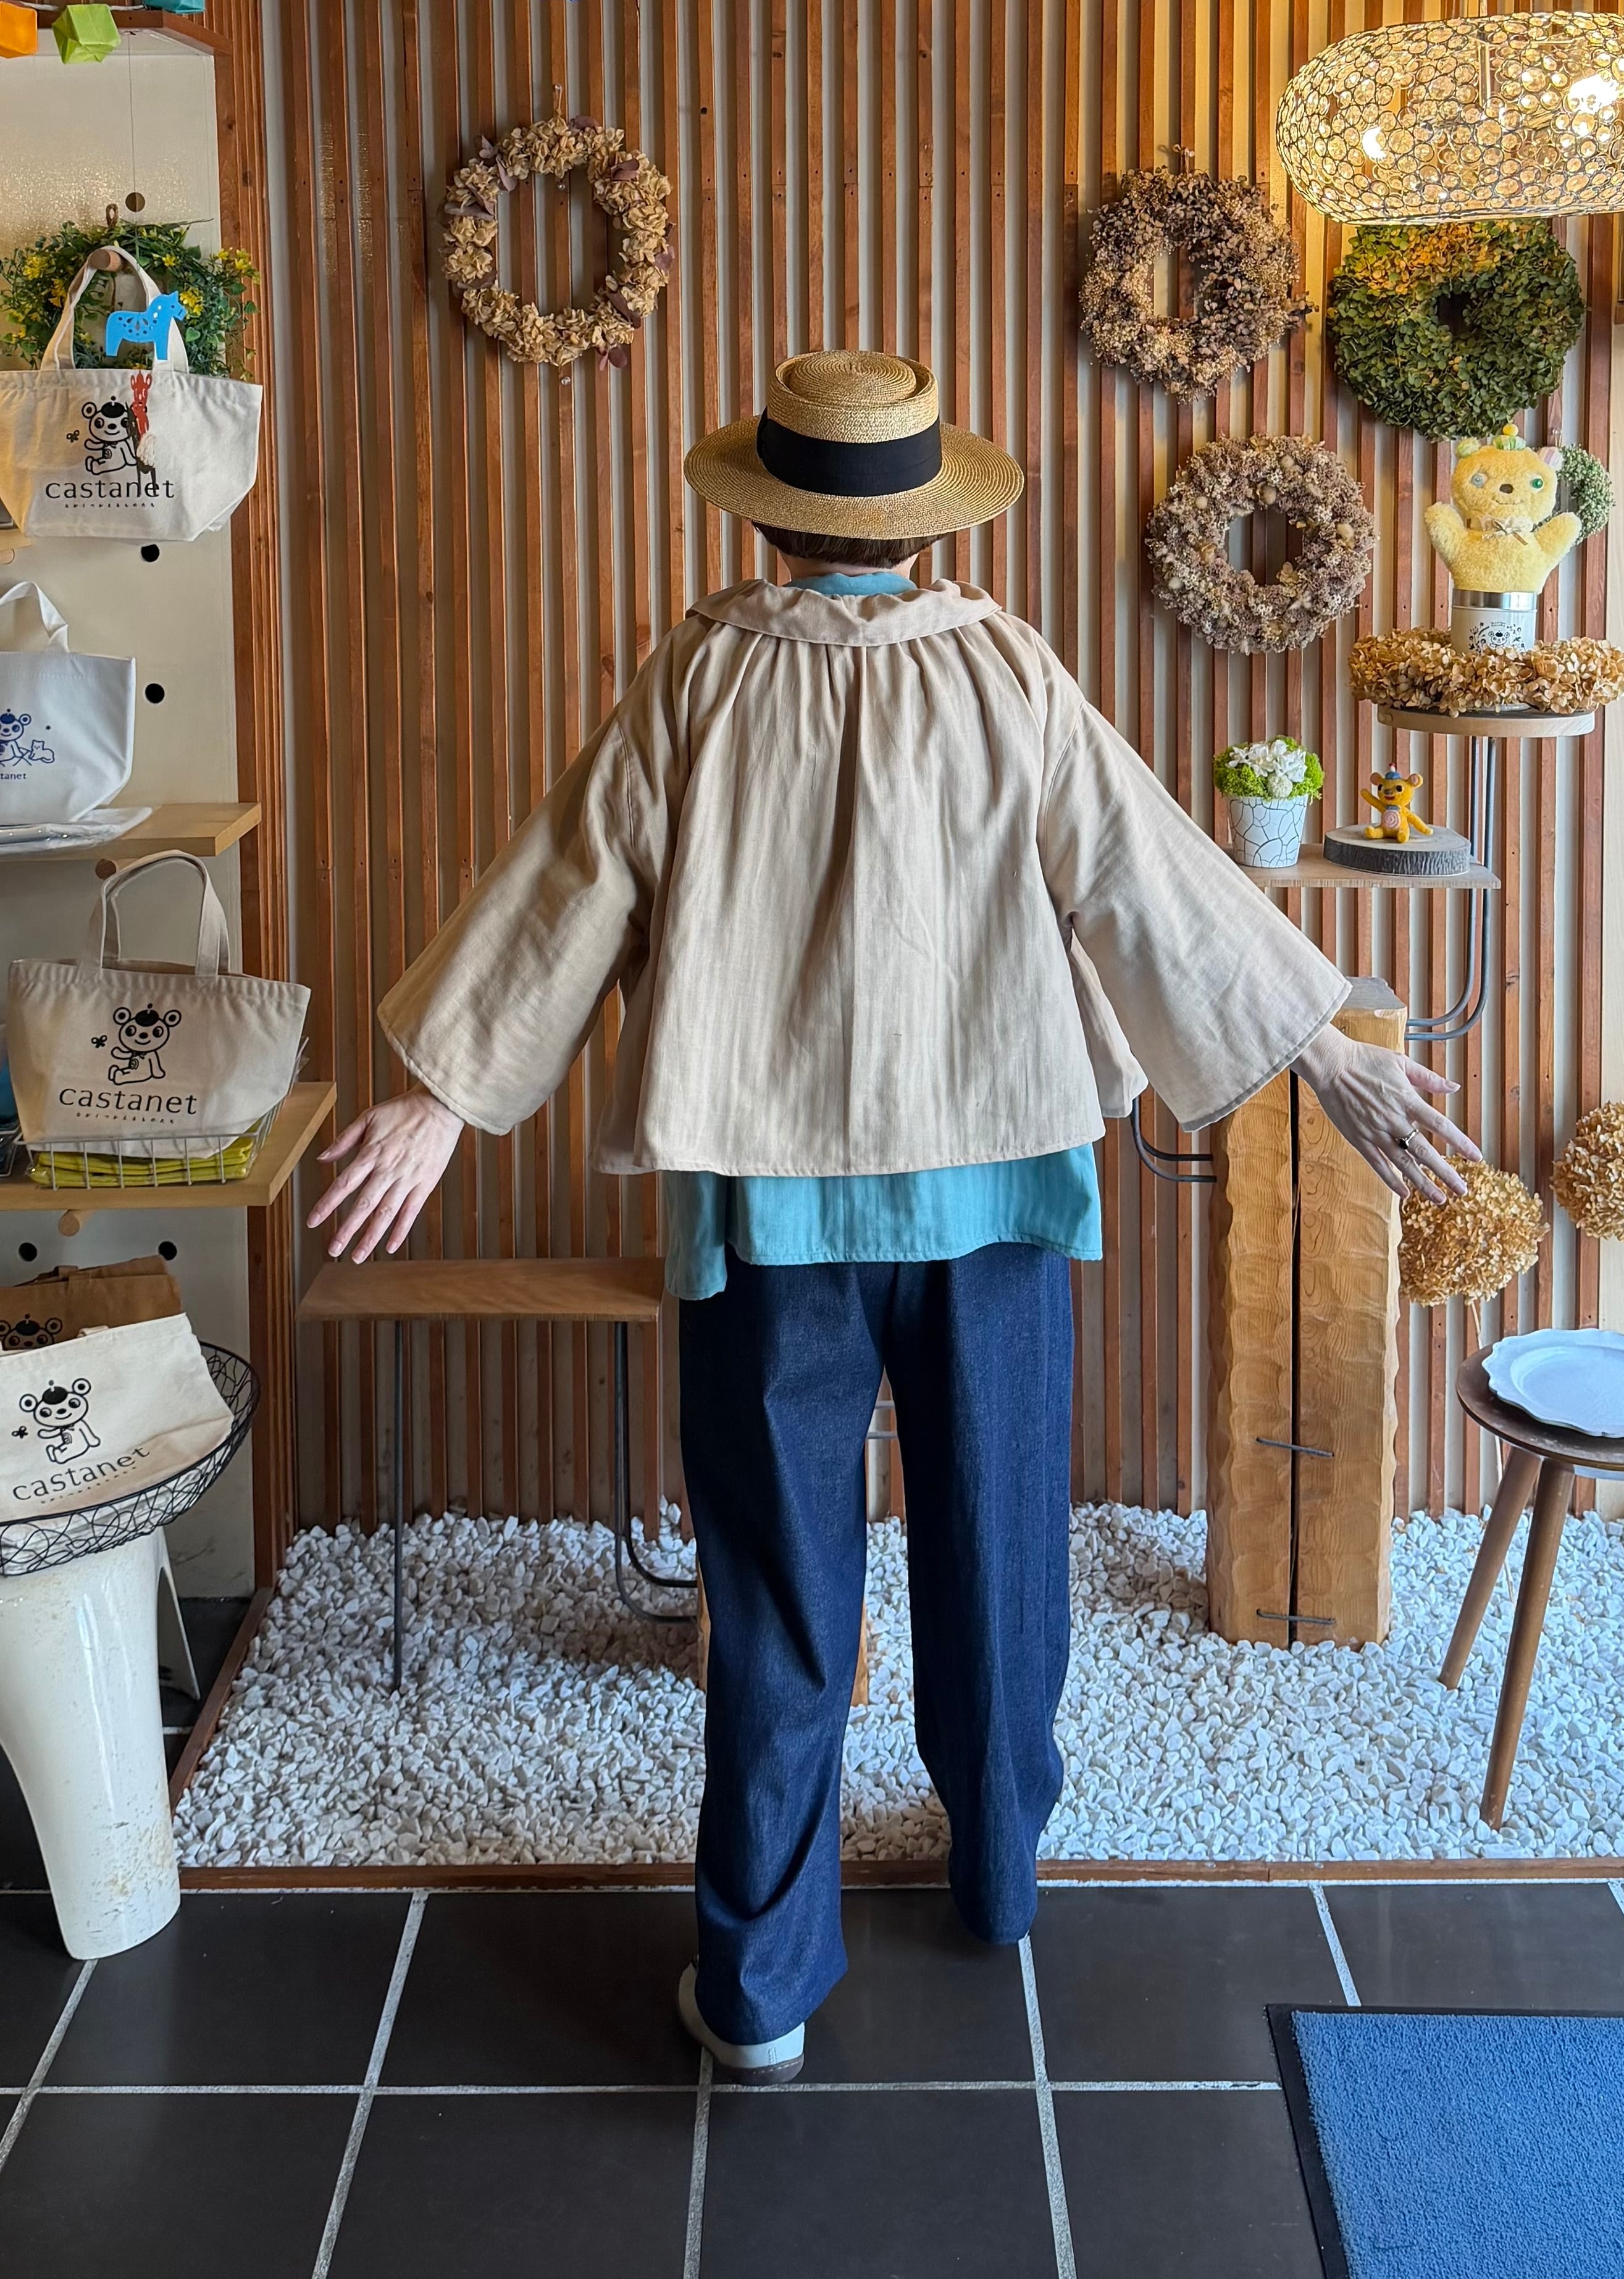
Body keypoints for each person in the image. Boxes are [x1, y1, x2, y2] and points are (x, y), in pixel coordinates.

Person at [308, 351, 1478, 2083]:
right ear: (926, 525)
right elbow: (1148, 871)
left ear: (769, 517)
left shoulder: (701, 676)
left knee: (780, 1585)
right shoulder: (1006, 669)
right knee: (1000, 1542)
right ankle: (997, 1876)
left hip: (767, 1205)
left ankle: (761, 1989)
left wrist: (441, 1098)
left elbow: (572, 879)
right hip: (995, 1186)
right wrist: (1314, 1045)